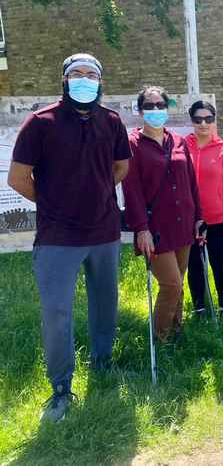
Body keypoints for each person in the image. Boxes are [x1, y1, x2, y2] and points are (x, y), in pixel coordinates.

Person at [8, 53, 131, 423]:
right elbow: (18, 178)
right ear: (63, 80)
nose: (83, 79)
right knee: (57, 313)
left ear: (100, 81)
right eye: (76, 74)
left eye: (90, 74)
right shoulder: (39, 123)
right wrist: (54, 202)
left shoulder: (111, 121)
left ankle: (103, 362)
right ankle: (61, 389)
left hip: (104, 232)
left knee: (105, 302)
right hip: (57, 238)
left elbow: (121, 166)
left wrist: (94, 191)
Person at [122, 86, 204, 342]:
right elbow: (131, 190)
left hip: (184, 224)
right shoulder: (132, 144)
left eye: (160, 105)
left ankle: (177, 330)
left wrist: (199, 217)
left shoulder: (178, 141)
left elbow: (192, 182)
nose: (155, 110)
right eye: (149, 105)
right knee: (171, 284)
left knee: (179, 282)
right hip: (155, 229)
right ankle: (161, 338)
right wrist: (141, 229)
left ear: (167, 109)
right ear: (139, 111)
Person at [185, 100, 223, 318]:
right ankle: (199, 307)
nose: (203, 124)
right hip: (190, 221)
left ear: (214, 120)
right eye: (198, 119)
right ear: (191, 121)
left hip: (218, 221)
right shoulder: (182, 147)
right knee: (194, 266)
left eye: (208, 119)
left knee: (219, 264)